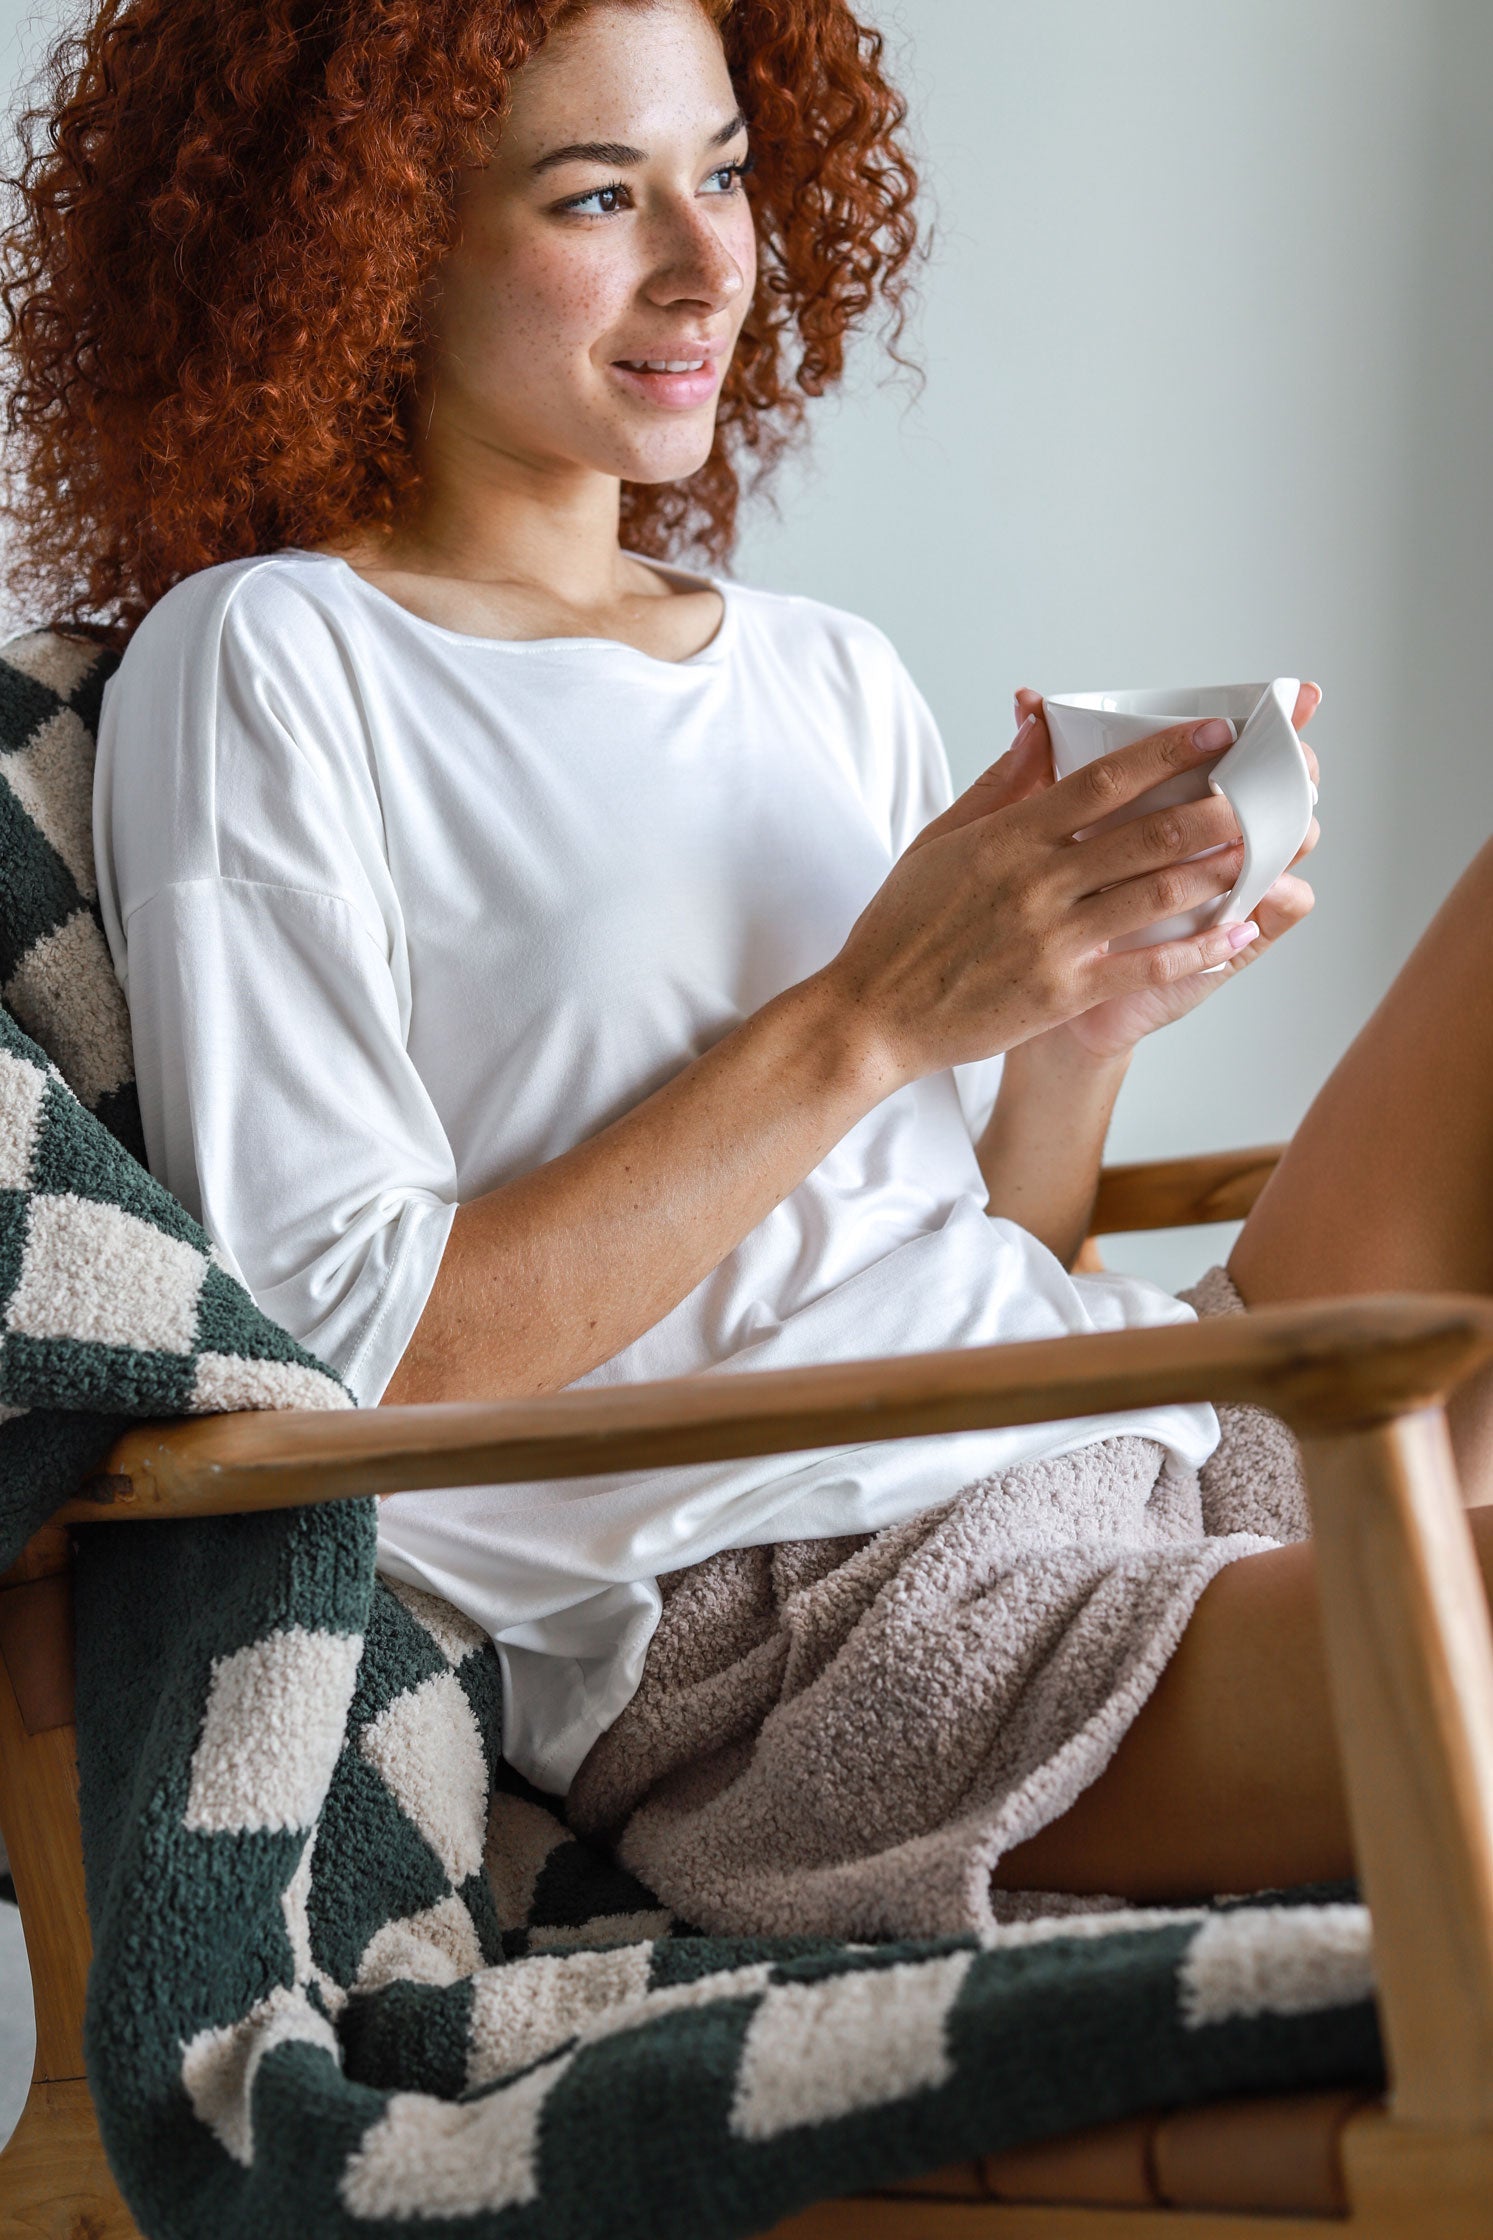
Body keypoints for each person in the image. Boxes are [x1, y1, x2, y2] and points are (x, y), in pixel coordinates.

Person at [4, 0, 1490, 1933]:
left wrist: (1070, 1044)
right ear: (370, 239)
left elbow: (932, 1243)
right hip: (815, 1613)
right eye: (598, 195)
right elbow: (344, 1362)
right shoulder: (277, 659)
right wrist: (869, 1014)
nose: (706, 262)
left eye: (721, 172)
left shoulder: (821, 665)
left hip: (1130, 1427)